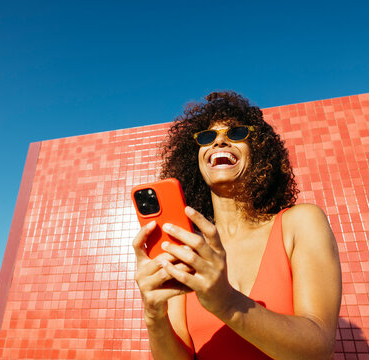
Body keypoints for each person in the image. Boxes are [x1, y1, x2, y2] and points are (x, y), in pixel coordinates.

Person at [133, 91, 342, 359]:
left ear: (258, 151)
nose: (220, 141)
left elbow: (318, 351)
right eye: (207, 137)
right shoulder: (187, 248)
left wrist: (226, 301)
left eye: (236, 133)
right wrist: (154, 317)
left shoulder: (300, 223)